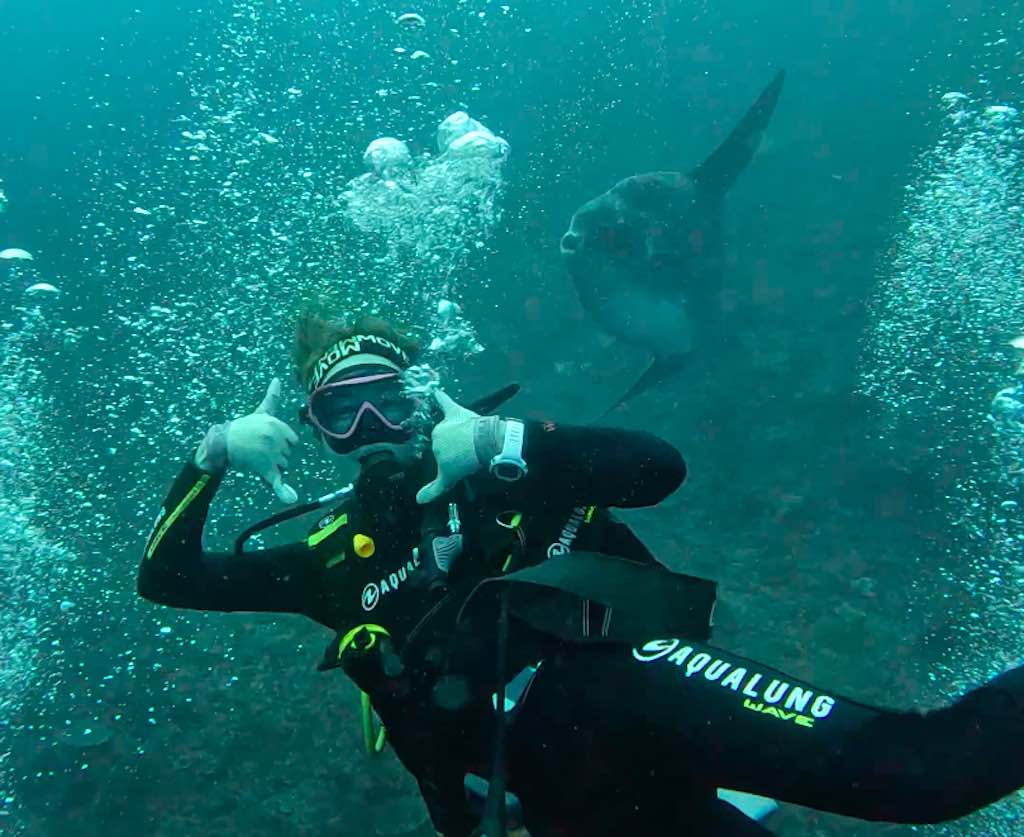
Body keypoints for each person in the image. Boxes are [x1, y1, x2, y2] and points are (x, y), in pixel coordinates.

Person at [139, 313, 1024, 837]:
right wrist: (206, 457)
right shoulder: (324, 560)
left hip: (638, 699)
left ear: (424, 398)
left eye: (390, 397)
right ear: (312, 427)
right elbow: (168, 578)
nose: (371, 422)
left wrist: (510, 442)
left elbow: (659, 467)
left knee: (925, 773)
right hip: (541, 812)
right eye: (341, 409)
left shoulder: (505, 469)